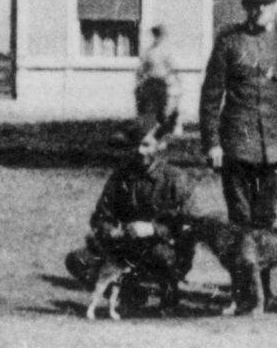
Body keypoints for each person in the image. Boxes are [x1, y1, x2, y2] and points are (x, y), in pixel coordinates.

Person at [199, 0, 277, 308]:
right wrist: (212, 143)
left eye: (264, 4)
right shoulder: (229, 42)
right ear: (245, 5)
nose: (258, 10)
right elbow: (210, 97)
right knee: (239, 224)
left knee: (265, 222)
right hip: (236, 147)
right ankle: (243, 296)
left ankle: (264, 295)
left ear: (275, 5)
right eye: (251, 5)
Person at [66, 111, 201, 309]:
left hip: (166, 250)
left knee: (160, 255)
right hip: (127, 247)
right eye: (134, 145)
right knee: (78, 260)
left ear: (161, 144)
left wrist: (154, 229)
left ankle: (169, 293)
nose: (139, 151)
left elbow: (192, 224)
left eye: (145, 145)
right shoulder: (121, 177)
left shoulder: (176, 179)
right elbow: (100, 216)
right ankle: (131, 292)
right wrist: (111, 230)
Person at [134, 23, 176, 130]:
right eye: (155, 35)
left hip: (162, 83)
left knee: (162, 108)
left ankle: (160, 136)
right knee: (150, 109)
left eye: (160, 35)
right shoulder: (149, 52)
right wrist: (139, 82)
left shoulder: (166, 51)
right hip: (150, 83)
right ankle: (150, 135)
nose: (157, 37)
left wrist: (173, 82)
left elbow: (171, 68)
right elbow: (142, 69)